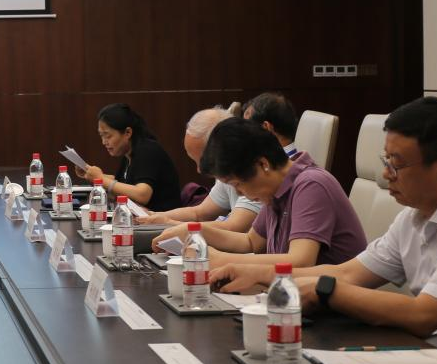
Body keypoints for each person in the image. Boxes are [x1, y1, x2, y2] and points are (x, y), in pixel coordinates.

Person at [211, 97, 437, 364]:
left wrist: (323, 290)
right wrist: (259, 274)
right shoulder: (415, 216)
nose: (386, 174)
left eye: (396, 163)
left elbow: (423, 316)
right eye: (385, 159)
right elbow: (348, 273)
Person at [153, 118, 366, 268]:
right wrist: (192, 231)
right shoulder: (277, 189)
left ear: (263, 164)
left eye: (238, 184)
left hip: (334, 312)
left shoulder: (311, 184)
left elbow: (300, 261)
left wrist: (221, 259)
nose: (240, 194)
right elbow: (251, 242)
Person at [136, 107, 261, 233]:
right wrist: (154, 216)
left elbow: (234, 228)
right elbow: (200, 213)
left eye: (203, 160)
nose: (199, 170)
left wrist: (169, 223)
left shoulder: (252, 172)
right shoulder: (228, 173)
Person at [78, 104, 180, 211]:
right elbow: (120, 184)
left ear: (128, 133)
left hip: (162, 218)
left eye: (108, 136)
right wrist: (90, 173)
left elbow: (142, 195)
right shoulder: (128, 153)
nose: (104, 142)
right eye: (101, 136)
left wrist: (101, 179)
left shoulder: (148, 150)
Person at [243, 91, 313, 165]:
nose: (245, 134)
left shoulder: (278, 167)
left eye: (248, 128)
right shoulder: (295, 158)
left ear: (266, 128)